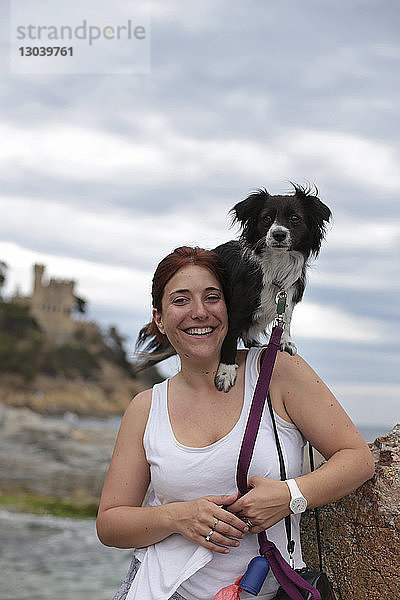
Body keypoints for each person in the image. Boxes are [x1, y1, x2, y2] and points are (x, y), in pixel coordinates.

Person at [96, 246, 374, 600]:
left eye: (212, 298)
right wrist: (177, 517)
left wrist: (290, 497)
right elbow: (110, 524)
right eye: (181, 301)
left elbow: (357, 458)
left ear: (230, 306)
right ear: (160, 319)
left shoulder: (278, 372)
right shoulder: (146, 407)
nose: (199, 312)